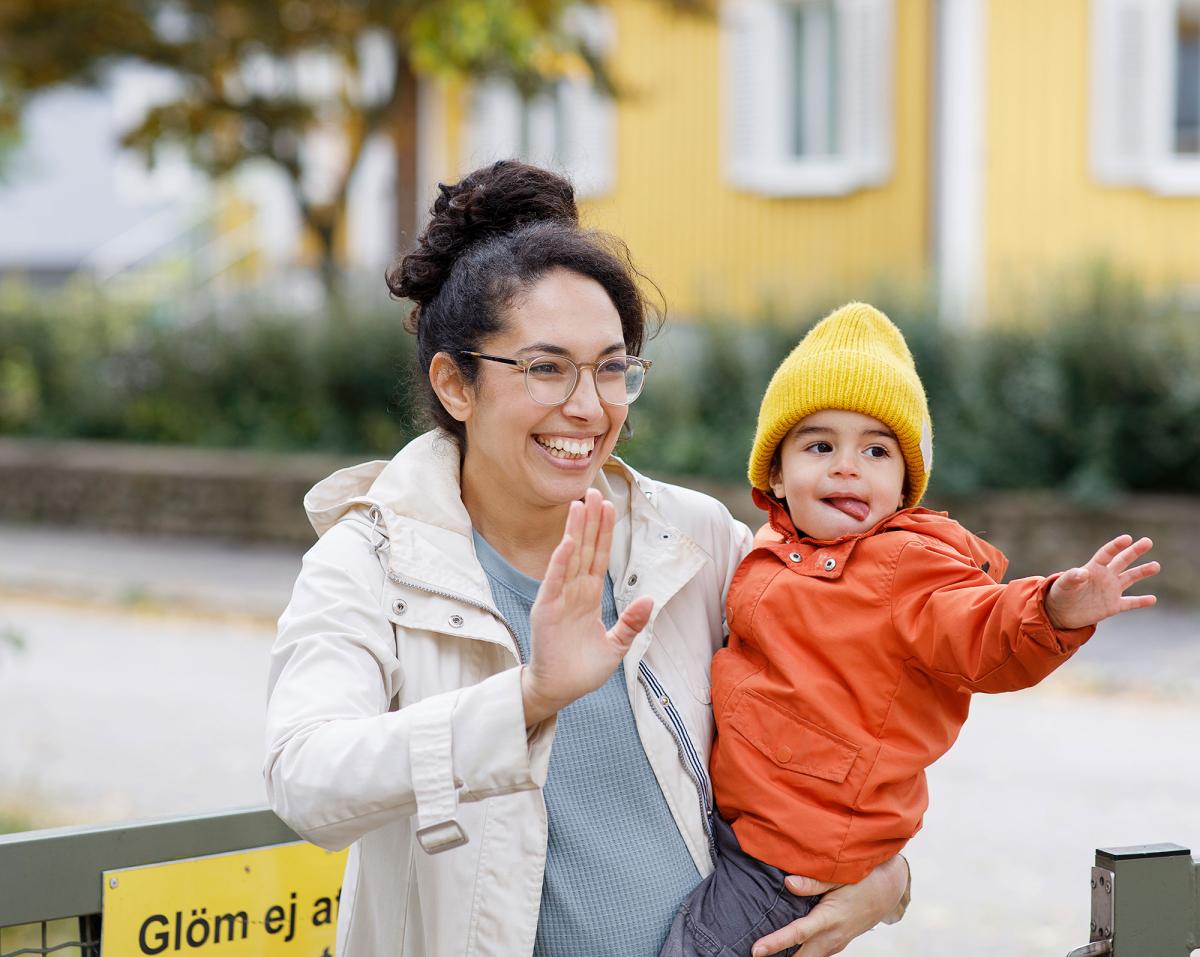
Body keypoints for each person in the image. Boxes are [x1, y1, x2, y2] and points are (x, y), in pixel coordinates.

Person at [262, 162, 909, 957]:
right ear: (455, 384)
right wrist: (527, 698)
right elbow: (306, 779)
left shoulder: (695, 540)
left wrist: (887, 878)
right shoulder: (368, 563)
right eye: (545, 367)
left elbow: (846, 712)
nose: (589, 405)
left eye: (611, 367)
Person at [661, 301, 1161, 957]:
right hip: (748, 820)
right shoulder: (773, 546)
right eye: (820, 445)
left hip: (793, 855)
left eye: (875, 449)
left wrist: (1053, 608)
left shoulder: (905, 564)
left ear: (903, 487)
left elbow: (979, 626)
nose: (848, 465)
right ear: (775, 474)